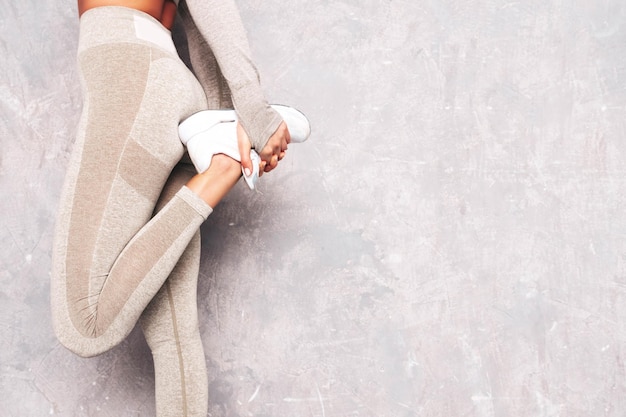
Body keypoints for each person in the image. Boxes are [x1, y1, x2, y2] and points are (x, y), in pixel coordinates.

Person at [50, 0, 296, 415]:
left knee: (84, 323)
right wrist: (220, 116)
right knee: (173, 334)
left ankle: (221, 171)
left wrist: (251, 107)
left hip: (130, 75)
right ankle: (219, 163)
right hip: (167, 82)